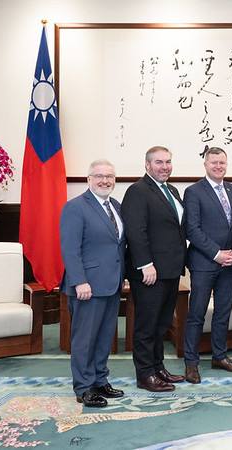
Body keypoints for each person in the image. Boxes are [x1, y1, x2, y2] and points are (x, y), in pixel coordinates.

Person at [60, 159, 126, 408]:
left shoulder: (116, 206)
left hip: (111, 284)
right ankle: (84, 387)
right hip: (87, 286)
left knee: (103, 337)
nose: (105, 180)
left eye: (109, 176)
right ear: (89, 179)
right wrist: (79, 281)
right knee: (84, 339)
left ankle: (100, 380)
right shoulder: (75, 207)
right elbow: (70, 249)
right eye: (99, 176)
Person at [122, 146, 187, 392]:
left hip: (170, 270)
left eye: (168, 161)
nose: (165, 166)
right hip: (150, 272)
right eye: (159, 162)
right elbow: (135, 231)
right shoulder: (137, 191)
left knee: (161, 324)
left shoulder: (171, 190)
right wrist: (145, 264)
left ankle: (158, 368)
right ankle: (145, 374)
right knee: (146, 325)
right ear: (147, 165)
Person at [182, 147, 232, 384]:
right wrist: (217, 254)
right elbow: (192, 229)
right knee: (196, 314)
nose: (219, 166)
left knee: (223, 312)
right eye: (214, 162)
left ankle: (220, 356)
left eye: (222, 162)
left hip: (230, 263)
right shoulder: (194, 191)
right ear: (205, 164)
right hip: (204, 263)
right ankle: (191, 363)